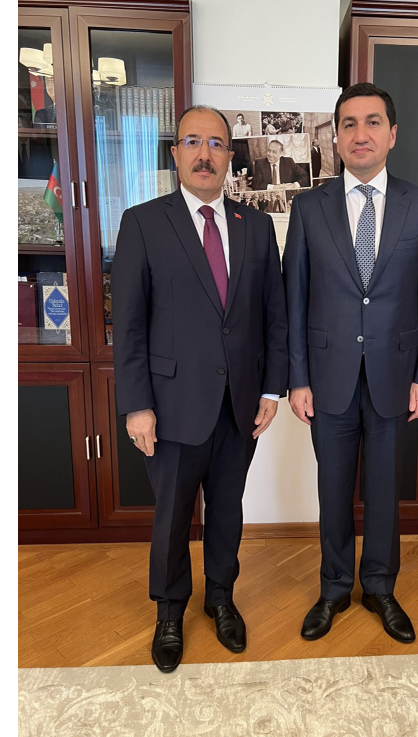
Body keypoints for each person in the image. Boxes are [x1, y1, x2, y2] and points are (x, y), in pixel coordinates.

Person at [112, 105, 289, 673]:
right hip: (169, 407)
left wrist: (272, 389)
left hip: (240, 405)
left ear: (229, 156)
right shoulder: (143, 223)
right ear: (176, 154)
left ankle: (221, 598)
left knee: (227, 510)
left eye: (215, 143)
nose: (204, 153)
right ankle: (169, 612)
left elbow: (274, 315)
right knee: (171, 516)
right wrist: (136, 405)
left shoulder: (254, 226)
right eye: (193, 141)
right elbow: (129, 325)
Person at [283, 83, 418, 645]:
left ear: (392, 134)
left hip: (394, 379)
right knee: (333, 490)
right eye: (349, 124)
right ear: (336, 137)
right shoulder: (308, 208)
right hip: (326, 379)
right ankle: (333, 588)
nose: (361, 134)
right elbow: (294, 300)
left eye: (373, 122)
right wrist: (297, 378)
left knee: (383, 491)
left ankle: (379, 586)